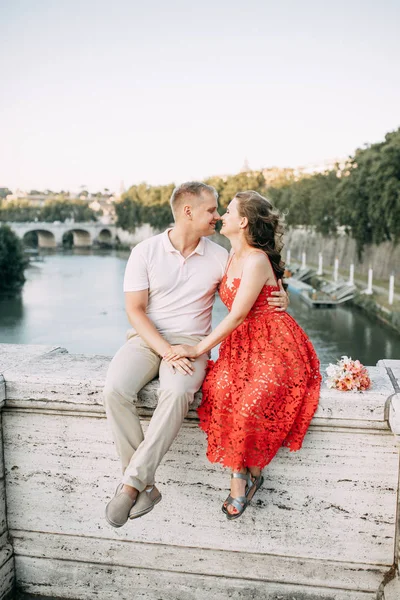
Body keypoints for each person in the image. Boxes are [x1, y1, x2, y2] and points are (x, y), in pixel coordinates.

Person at [103, 182, 289, 527]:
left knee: (176, 393)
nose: (217, 217)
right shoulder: (144, 252)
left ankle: (130, 486)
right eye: (211, 210)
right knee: (114, 390)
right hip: (146, 340)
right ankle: (146, 484)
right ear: (188, 212)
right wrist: (166, 350)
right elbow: (135, 310)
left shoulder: (222, 257)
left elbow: (255, 283)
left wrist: (282, 296)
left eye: (222, 211)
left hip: (192, 342)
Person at [164, 190, 321, 520]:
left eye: (229, 211)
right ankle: (248, 475)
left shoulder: (256, 260)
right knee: (220, 391)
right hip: (241, 346)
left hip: (275, 344)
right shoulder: (229, 256)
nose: (221, 216)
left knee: (250, 404)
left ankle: (243, 477)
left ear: (243, 221)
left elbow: (236, 314)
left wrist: (196, 348)